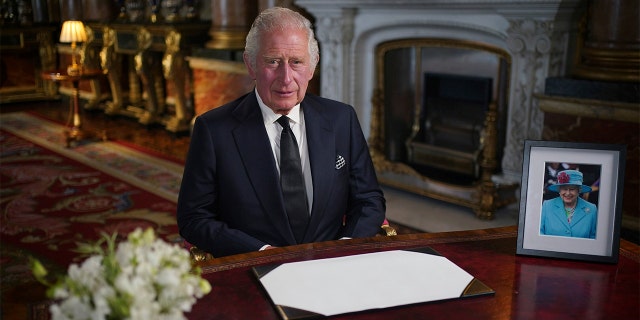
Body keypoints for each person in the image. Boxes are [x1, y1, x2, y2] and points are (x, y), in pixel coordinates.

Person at [176, 7, 386, 257]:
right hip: (254, 269)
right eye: (272, 61)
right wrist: (261, 252)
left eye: (296, 62)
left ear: (312, 65)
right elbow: (194, 218)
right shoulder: (213, 130)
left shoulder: (342, 119)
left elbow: (368, 199)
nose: (286, 78)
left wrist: (345, 247)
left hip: (333, 266)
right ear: (251, 65)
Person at [540, 169, 597, 239]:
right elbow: (540, 232)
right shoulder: (547, 206)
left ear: (579, 190)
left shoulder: (591, 209)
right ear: (559, 190)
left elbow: (593, 238)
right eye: (564, 189)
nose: (568, 193)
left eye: (572, 189)